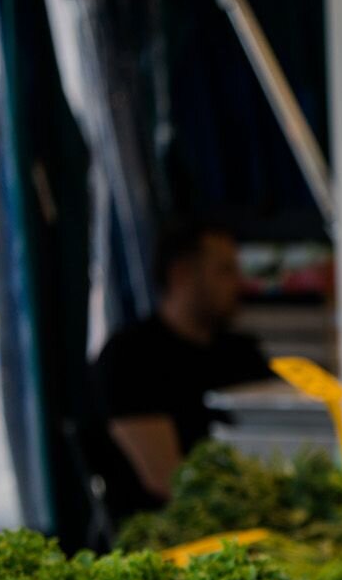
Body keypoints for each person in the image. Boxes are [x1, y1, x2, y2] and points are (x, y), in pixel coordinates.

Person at [88, 218, 271, 520]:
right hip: (170, 531)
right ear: (181, 275)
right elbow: (166, 480)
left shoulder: (242, 352)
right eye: (225, 271)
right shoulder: (130, 357)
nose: (239, 283)